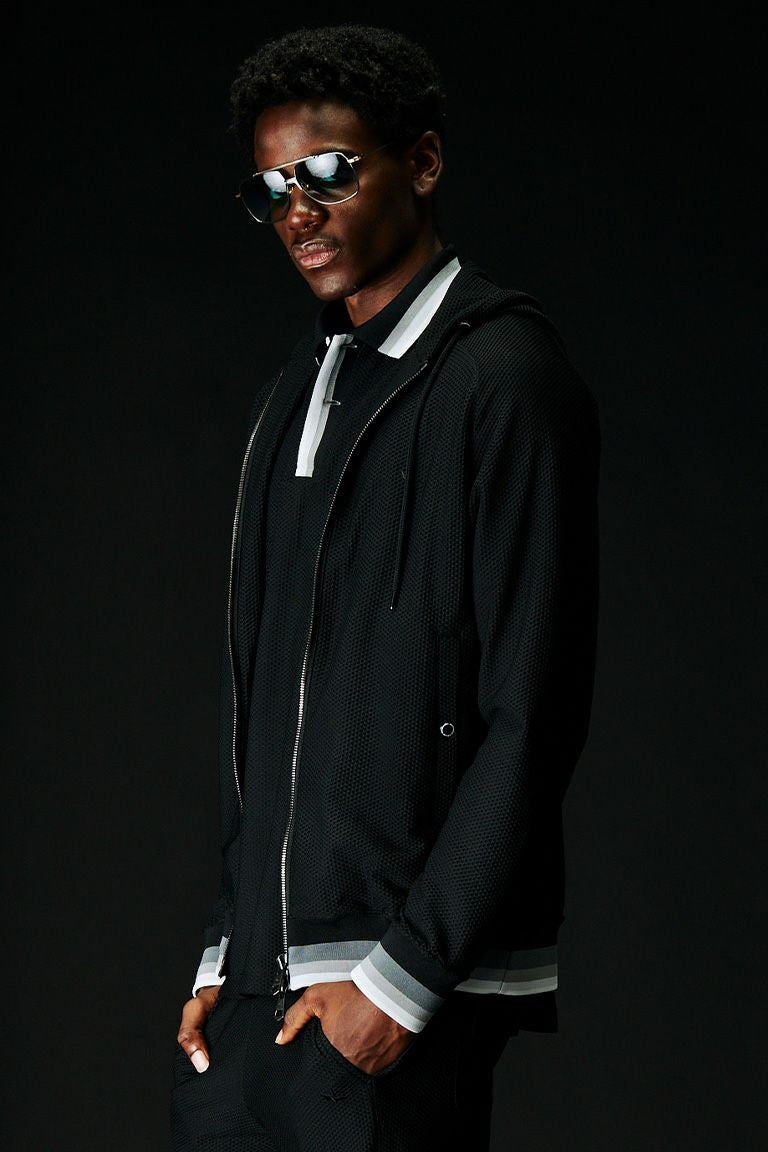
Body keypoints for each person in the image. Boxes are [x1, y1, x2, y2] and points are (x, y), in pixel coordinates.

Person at [170, 22, 600, 1152]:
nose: (299, 213)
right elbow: (268, 699)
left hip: (393, 989)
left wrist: (402, 981)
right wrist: (224, 952)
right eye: (272, 190)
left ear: (423, 162)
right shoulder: (295, 391)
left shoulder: (502, 376)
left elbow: (536, 708)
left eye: (327, 173)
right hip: (258, 992)